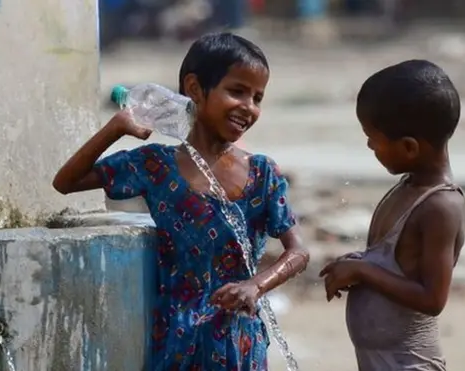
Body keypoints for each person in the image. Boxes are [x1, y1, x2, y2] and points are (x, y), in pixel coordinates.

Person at [52, 32, 309, 370]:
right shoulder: (155, 166)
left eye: (257, 97)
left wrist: (254, 286)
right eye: (237, 91)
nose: (249, 107)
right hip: (177, 338)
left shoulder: (261, 174)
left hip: (240, 341)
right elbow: (65, 182)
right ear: (194, 88)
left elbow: (299, 252)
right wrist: (115, 129)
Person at [319, 59, 465, 370]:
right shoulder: (406, 187)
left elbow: (433, 299)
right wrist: (359, 262)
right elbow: (398, 265)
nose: (369, 144)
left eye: (374, 139)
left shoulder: (440, 206)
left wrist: (362, 272)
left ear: (410, 147)